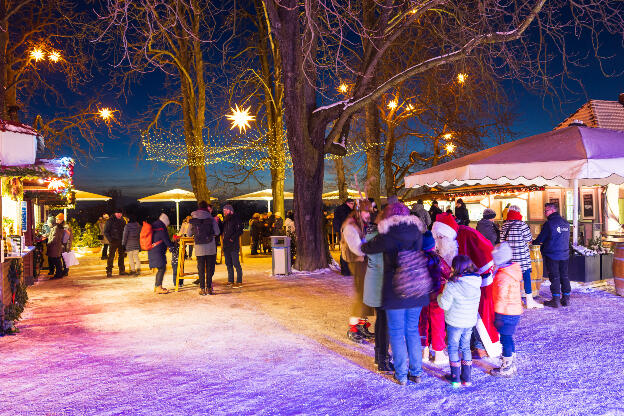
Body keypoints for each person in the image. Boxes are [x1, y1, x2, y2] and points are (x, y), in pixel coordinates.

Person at [361, 202, 429, 385]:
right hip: (416, 288)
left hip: (396, 290)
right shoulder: (416, 231)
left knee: (397, 333)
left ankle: (401, 374)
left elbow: (366, 248)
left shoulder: (388, 235)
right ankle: (416, 372)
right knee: (412, 331)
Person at [432, 212, 499, 359]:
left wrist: (483, 275)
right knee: (466, 315)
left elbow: (486, 250)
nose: (438, 241)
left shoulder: (467, 235)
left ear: (447, 234)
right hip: (459, 282)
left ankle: (481, 346)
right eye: (436, 237)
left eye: (441, 237)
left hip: (477, 280)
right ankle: (468, 348)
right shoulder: (445, 243)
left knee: (480, 314)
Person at [437, 255, 482, 388]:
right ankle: (467, 378)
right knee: (466, 347)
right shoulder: (476, 283)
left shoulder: (452, 285)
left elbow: (444, 305)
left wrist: (440, 296)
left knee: (453, 347)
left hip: (455, 322)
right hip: (469, 322)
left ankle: (455, 378)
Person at [340, 199, 375, 344]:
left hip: (364, 261)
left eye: (369, 212)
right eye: (367, 212)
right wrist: (373, 246)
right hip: (357, 261)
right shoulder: (350, 226)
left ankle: (361, 324)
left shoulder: (362, 222)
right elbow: (357, 248)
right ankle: (353, 327)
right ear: (359, 211)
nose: (369, 215)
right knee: (361, 294)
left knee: (367, 294)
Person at [362, 209, 392, 372]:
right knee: (384, 324)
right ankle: (383, 360)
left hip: (374, 283)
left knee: (381, 322)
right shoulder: (381, 239)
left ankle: (379, 356)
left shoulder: (370, 236)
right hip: (381, 284)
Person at [490, 242, 523, 377]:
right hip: (514, 310)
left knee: (505, 339)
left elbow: (501, 297)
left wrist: (498, 316)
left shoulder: (502, 276)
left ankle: (507, 366)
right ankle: (510, 362)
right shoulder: (512, 271)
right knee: (508, 337)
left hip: (505, 312)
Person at [419, 231, 451, 365]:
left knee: (422, 322)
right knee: (438, 323)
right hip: (436, 295)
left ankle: (424, 351)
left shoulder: (416, 259)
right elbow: (448, 272)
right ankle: (438, 352)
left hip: (421, 296)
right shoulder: (437, 259)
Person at [501, 205, 543, 309]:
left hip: (509, 259)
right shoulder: (522, 225)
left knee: (512, 279)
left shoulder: (504, 225)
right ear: (519, 213)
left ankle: (515, 300)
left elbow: (502, 241)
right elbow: (529, 239)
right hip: (522, 258)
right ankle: (529, 301)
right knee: (526, 278)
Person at [533, 202, 571, 308]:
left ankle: (556, 300)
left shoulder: (549, 223)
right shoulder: (566, 223)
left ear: (553, 210)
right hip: (564, 254)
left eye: (546, 211)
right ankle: (566, 298)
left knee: (554, 277)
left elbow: (541, 238)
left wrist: (534, 242)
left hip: (552, 254)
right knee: (564, 276)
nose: (545, 213)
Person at [190, 201, 220, 295]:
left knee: (201, 268)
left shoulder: (193, 218)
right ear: (207, 208)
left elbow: (189, 233)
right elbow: (217, 232)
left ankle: (202, 288)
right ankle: (209, 288)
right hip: (210, 246)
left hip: (199, 248)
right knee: (210, 267)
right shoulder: (211, 218)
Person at [148, 213, 174, 294]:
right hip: (157, 251)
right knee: (161, 268)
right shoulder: (161, 228)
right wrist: (172, 245)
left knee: (161, 268)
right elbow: (166, 239)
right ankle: (158, 287)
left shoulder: (155, 226)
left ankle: (157, 286)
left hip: (154, 250)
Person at [222, 204, 244, 288]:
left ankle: (239, 281)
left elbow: (240, 230)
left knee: (236, 263)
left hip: (233, 244)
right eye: (223, 210)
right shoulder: (226, 220)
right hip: (226, 244)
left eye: (225, 210)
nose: (224, 212)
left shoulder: (236, 218)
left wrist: (232, 238)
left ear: (230, 210)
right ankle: (230, 280)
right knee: (228, 263)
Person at [332, 198, 355, 276]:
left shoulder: (340, 209)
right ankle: (346, 270)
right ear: (347, 203)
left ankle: (346, 270)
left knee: (344, 251)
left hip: (342, 232)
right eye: (352, 203)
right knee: (346, 251)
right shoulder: (346, 211)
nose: (353, 205)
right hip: (345, 233)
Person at [104, 209, 127, 277]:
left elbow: (125, 231)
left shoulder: (123, 220)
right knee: (111, 256)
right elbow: (106, 231)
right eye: (118, 213)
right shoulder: (110, 220)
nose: (119, 214)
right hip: (113, 241)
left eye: (120, 213)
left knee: (121, 256)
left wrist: (124, 239)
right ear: (115, 213)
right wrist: (110, 240)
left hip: (121, 241)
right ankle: (109, 271)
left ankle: (122, 270)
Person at [47, 214, 66, 280]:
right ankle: (59, 273)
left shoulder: (56, 228)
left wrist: (49, 243)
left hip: (54, 247)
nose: (57, 220)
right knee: (57, 261)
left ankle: (58, 274)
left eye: (58, 219)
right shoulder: (58, 227)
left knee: (56, 261)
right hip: (57, 247)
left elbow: (54, 238)